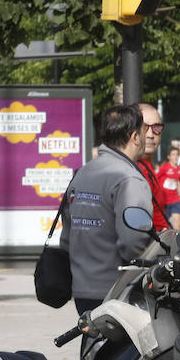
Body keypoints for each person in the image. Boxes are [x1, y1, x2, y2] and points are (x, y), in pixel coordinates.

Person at [62, 104, 154, 317]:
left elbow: (67, 235)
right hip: (117, 290)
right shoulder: (128, 178)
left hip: (82, 288)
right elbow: (134, 242)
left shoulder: (83, 172)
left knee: (93, 349)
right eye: (143, 131)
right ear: (134, 136)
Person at [134, 103, 172, 232]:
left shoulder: (148, 167)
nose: (150, 134)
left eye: (157, 128)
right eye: (144, 127)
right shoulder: (132, 171)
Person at [156, 145, 180, 231]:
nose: (175, 157)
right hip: (163, 200)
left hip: (175, 200)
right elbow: (155, 179)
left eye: (177, 154)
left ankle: (177, 242)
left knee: (178, 221)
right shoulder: (164, 168)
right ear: (169, 157)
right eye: (173, 154)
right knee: (164, 226)